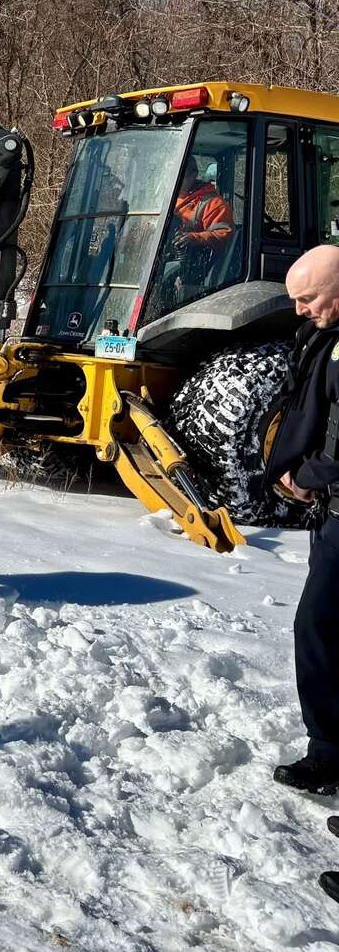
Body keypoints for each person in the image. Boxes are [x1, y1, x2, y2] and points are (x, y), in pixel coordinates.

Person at [265, 244, 339, 794]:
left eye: (308, 297)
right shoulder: (320, 338)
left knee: (318, 628)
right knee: (322, 631)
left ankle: (330, 753)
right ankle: (330, 751)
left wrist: (305, 476)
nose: (299, 309)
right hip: (330, 513)